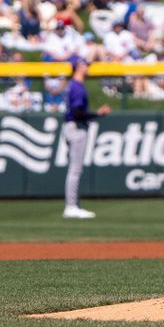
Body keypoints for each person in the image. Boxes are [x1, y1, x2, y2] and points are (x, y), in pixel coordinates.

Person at [63, 59, 110, 219]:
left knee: (74, 169)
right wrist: (98, 114)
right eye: (85, 65)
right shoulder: (77, 87)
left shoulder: (74, 85)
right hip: (76, 127)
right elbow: (77, 112)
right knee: (75, 169)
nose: (88, 67)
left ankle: (72, 205)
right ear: (78, 68)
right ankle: (71, 206)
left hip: (72, 126)